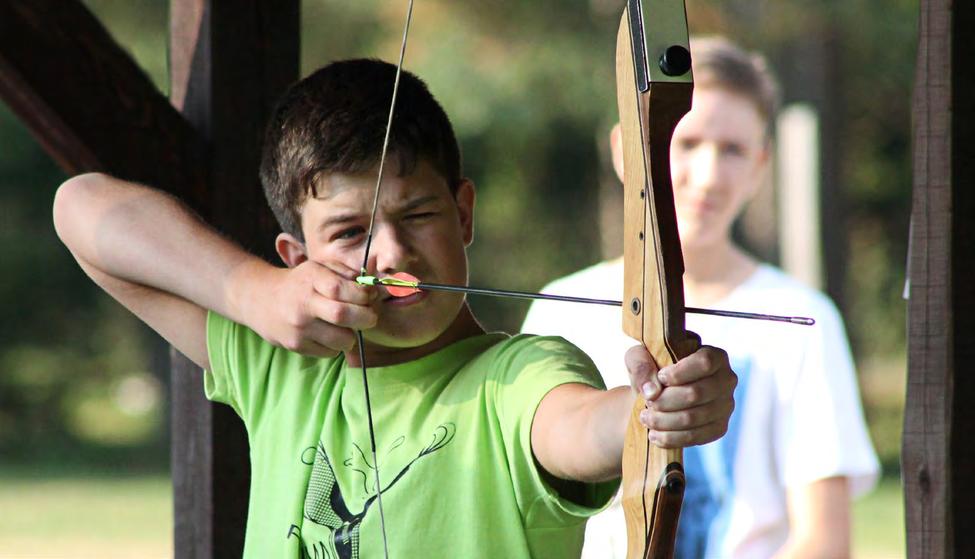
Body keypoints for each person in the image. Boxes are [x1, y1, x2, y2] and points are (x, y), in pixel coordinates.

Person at [52, 59, 737, 558]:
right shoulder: (282, 363)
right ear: (295, 255)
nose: (393, 252)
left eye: (418, 214)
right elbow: (80, 208)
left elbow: (578, 427)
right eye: (350, 232)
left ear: (463, 213)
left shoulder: (517, 374)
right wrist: (250, 293)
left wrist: (651, 409)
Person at [522, 37, 879, 559]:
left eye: (733, 151)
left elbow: (823, 539)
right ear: (627, 151)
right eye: (685, 143)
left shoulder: (802, 317)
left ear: (761, 165)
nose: (709, 176)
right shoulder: (561, 305)